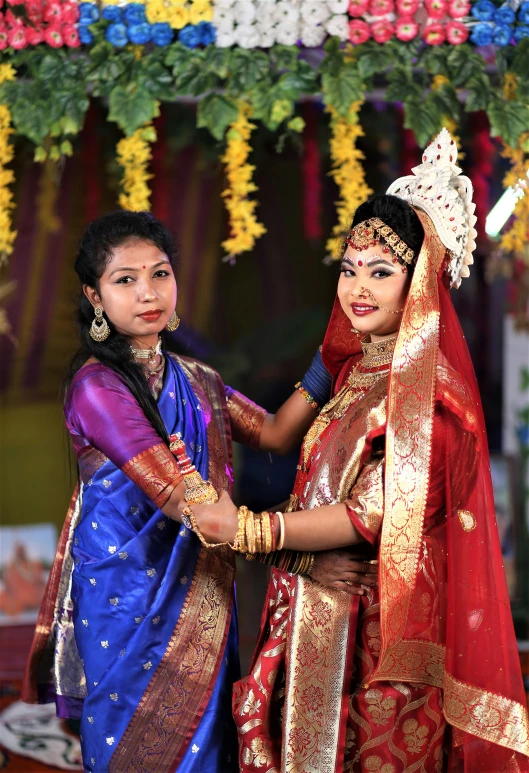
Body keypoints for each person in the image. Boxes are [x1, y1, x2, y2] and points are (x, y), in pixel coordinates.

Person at [187, 129, 529, 772]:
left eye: (380, 271)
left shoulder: (429, 405)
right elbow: (292, 453)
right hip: (317, 609)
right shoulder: (353, 374)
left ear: (421, 283)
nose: (357, 288)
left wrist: (250, 530)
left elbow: (363, 518)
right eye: (349, 269)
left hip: (376, 642)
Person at [21, 210, 376, 773]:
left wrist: (332, 357)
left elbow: (275, 433)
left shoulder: (196, 380)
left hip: (202, 587)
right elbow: (183, 501)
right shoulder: (97, 387)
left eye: (159, 274)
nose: (147, 293)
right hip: (126, 602)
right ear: (94, 296)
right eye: (125, 280)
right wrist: (303, 556)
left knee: (205, 750)